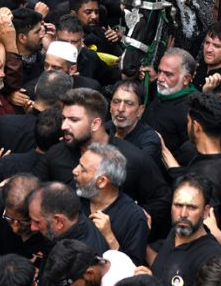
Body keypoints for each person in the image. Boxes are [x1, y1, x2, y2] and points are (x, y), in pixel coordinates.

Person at [34, 88, 171, 236]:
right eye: (63, 118)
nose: (64, 126)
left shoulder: (132, 159)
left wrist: (137, 215)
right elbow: (37, 192)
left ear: (95, 124)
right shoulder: (55, 154)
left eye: (73, 120)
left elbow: (162, 199)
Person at [140, 174, 221, 286]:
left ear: (205, 212)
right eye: (178, 205)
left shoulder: (211, 259)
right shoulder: (176, 232)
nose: (183, 214)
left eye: (192, 207)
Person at [73, 143, 148, 265]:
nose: (75, 171)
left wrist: (109, 236)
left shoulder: (134, 217)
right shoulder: (74, 196)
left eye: (83, 169)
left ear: (102, 181)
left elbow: (133, 271)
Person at [27, 181, 109, 254]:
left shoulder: (78, 259)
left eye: (37, 222)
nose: (32, 227)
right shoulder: (76, 224)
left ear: (59, 221)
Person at [143, 48, 198, 153]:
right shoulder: (161, 88)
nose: (160, 78)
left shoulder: (191, 110)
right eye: (160, 71)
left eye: (168, 74)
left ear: (186, 79)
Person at [106, 80, 160, 161]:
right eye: (116, 102)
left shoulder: (148, 140)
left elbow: (136, 170)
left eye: (129, 104)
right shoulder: (103, 129)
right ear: (110, 106)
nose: (120, 109)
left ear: (140, 110)